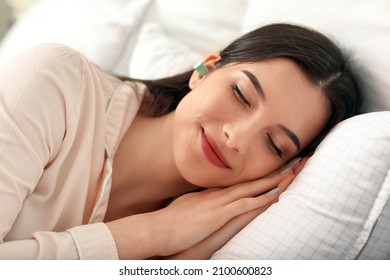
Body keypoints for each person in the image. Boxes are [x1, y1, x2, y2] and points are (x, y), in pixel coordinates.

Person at [0, 23, 362, 259]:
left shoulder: (203, 231)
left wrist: (182, 262)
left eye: (274, 145)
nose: (236, 137)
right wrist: (149, 234)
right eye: (241, 94)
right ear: (204, 70)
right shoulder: (53, 83)